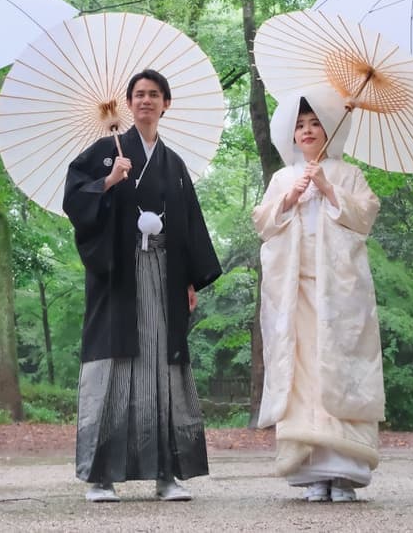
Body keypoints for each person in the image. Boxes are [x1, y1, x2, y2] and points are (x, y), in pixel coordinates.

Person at [63, 68, 223, 503]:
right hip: (119, 273)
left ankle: (166, 473)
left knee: (162, 367)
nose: (146, 101)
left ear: (166, 104)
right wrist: (108, 181)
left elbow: (189, 223)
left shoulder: (173, 164)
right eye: (139, 95)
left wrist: (190, 278)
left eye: (154, 94)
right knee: (114, 366)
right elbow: (75, 200)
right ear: (129, 104)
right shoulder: (104, 151)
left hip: (165, 274)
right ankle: (101, 476)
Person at [252, 87, 383, 503]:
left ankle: (343, 473)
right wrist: (290, 197)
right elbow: (263, 224)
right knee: (301, 372)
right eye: (300, 125)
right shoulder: (281, 178)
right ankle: (311, 472)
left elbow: (364, 217)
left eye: (315, 124)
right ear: (292, 134)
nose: (307, 131)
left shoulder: (348, 174)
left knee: (337, 369)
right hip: (294, 294)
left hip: (339, 295)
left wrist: (329, 188)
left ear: (329, 130)